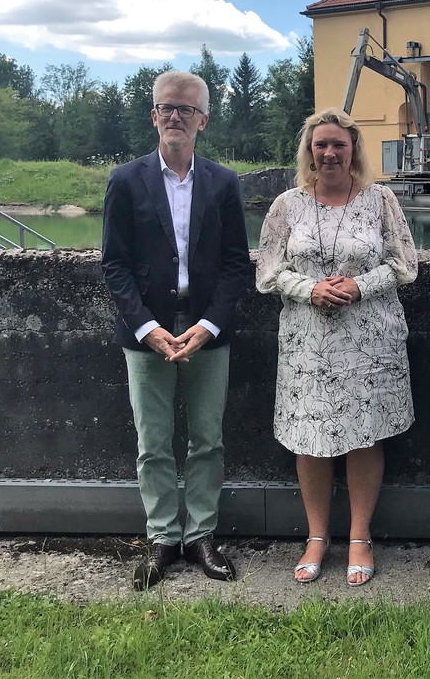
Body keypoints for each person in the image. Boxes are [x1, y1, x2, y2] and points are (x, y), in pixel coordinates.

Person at [101, 70, 251, 590]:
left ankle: (200, 535)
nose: (176, 117)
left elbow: (237, 265)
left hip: (207, 327)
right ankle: (163, 536)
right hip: (147, 330)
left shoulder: (225, 182)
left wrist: (210, 325)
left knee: (207, 438)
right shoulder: (125, 180)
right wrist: (145, 327)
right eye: (167, 108)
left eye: (186, 110)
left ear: (203, 120)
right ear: (154, 116)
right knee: (153, 441)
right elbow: (114, 266)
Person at [256, 108, 417, 586]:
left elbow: (405, 263)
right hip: (308, 345)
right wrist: (310, 289)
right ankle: (317, 536)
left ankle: (361, 536)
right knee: (311, 439)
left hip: (369, 341)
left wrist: (359, 285)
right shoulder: (287, 205)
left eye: (338, 145)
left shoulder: (380, 200)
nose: (328, 153)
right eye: (320, 144)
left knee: (365, 436)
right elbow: (267, 270)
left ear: (353, 151)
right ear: (309, 151)